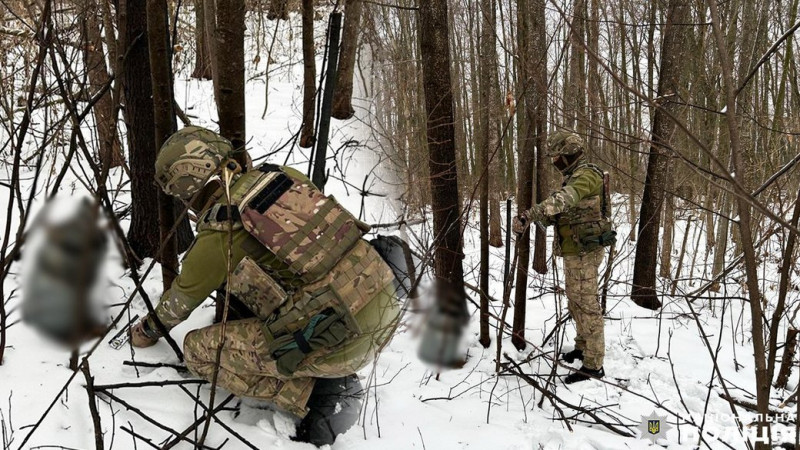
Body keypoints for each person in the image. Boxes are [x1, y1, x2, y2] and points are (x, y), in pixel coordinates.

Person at [129, 126, 401, 443]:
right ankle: (315, 362)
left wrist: (146, 331)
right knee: (248, 277)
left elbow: (180, 302)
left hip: (346, 342)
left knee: (197, 352)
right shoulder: (281, 175)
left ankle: (317, 394)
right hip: (383, 300)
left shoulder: (222, 228)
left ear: (187, 187)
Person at [512, 130, 615, 384]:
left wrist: (532, 213)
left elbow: (565, 200)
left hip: (585, 251)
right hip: (574, 250)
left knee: (587, 304)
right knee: (575, 301)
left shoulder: (587, 175)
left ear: (569, 155)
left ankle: (593, 364)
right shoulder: (573, 176)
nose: (554, 161)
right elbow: (563, 210)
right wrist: (542, 218)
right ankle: (582, 347)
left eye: (557, 156)